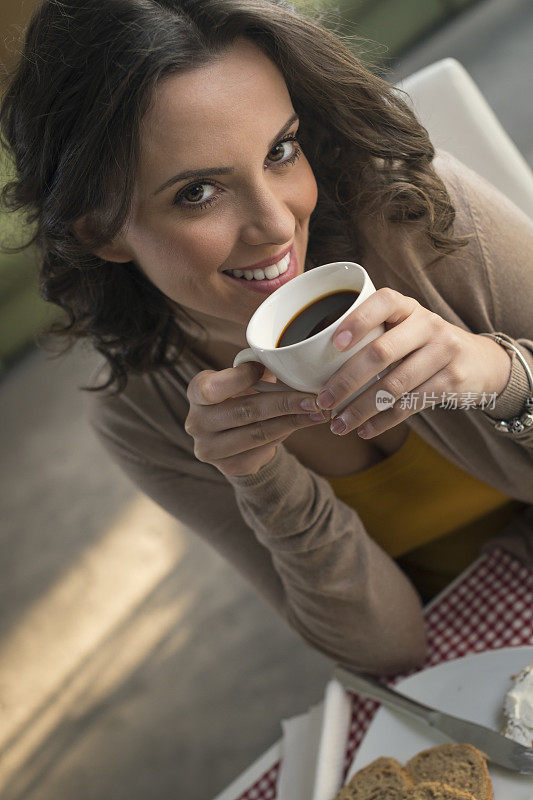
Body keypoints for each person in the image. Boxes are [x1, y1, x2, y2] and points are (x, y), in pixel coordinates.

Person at [1, 0, 532, 676]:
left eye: (280, 151)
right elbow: (385, 651)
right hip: (470, 651)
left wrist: (494, 373)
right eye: (197, 193)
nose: (276, 224)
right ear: (99, 231)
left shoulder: (416, 217)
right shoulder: (146, 414)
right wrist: (262, 479)